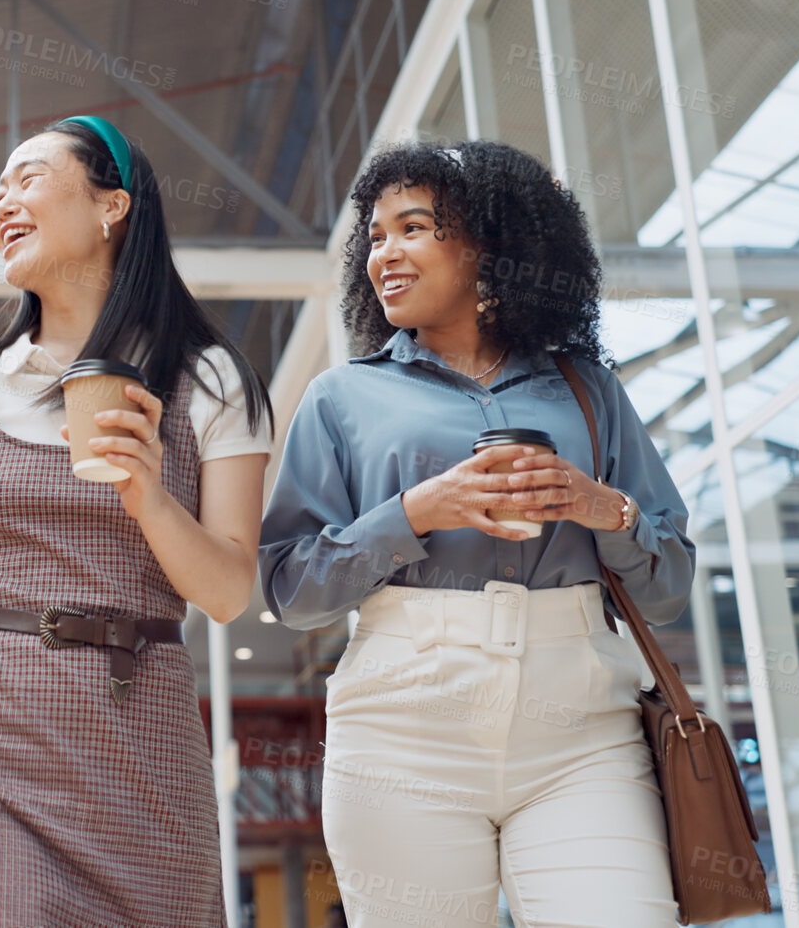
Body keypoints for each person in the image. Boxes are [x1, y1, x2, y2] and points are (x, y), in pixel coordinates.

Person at [0, 115, 273, 926]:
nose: (3, 201)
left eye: (28, 178)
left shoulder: (206, 378)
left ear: (112, 206)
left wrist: (147, 492)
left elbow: (230, 590)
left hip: (141, 744)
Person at [259, 141, 693, 927]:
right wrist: (414, 512)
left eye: (412, 228)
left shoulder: (586, 390)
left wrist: (604, 508)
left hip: (582, 730)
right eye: (376, 235)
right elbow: (290, 588)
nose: (383, 253)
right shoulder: (342, 398)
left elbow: (669, 589)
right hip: (402, 730)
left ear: (490, 244)